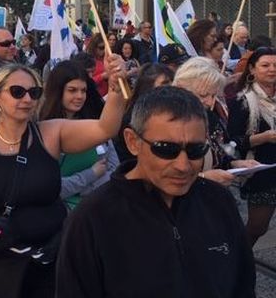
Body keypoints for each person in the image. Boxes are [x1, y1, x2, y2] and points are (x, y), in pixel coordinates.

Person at [0, 54, 126, 298]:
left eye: (33, 93)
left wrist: (115, 87)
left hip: (50, 259)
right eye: (17, 92)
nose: (27, 99)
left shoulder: (52, 133)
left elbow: (105, 128)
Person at [56, 86, 256, 298]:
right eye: (166, 149)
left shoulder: (218, 201)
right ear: (133, 142)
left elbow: (242, 284)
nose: (182, 165)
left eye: (195, 150)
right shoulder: (93, 217)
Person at [40, 61, 119, 210]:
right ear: (58, 91)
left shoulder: (96, 125)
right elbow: (51, 188)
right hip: (63, 217)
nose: (79, 96)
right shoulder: (43, 130)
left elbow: (114, 170)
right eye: (72, 90)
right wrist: (90, 175)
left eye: (83, 90)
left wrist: (85, 190)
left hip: (99, 208)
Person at [173, 57, 258, 187]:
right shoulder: (165, 124)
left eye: (213, 96)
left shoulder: (209, 117)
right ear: (180, 89)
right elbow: (157, 173)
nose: (210, 102)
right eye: (202, 95)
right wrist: (203, 177)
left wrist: (234, 164)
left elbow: (218, 153)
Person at [228, 47, 276, 247]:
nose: (272, 69)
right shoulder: (243, 100)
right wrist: (263, 137)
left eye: (275, 65)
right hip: (262, 172)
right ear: (252, 70)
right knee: (258, 226)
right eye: (265, 65)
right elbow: (231, 141)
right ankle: (239, 260)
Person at [113, 63, 174, 163]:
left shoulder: (175, 112)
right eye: (165, 84)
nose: (172, 89)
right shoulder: (132, 120)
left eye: (173, 83)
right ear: (148, 87)